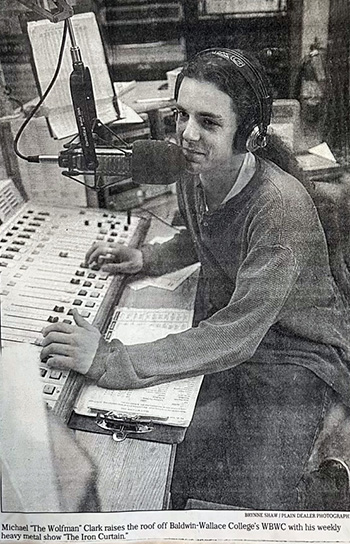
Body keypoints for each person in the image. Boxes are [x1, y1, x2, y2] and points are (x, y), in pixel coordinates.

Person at [41, 48, 350, 510]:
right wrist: (147, 257)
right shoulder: (194, 172)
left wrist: (110, 359)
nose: (187, 134)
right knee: (185, 470)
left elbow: (237, 334)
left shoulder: (279, 208)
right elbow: (202, 232)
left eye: (208, 122)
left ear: (248, 134)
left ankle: (329, 481)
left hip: (296, 352)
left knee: (251, 506)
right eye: (181, 115)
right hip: (239, 333)